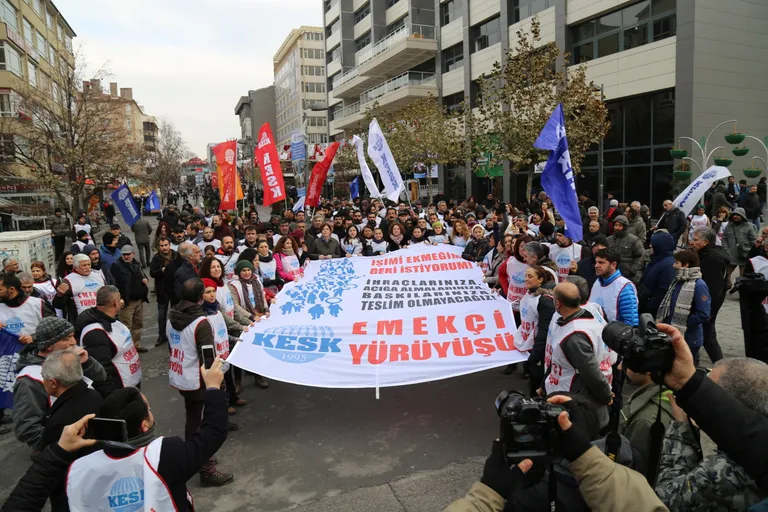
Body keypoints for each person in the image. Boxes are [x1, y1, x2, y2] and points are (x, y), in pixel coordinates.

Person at [655, 357, 768, 510]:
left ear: (730, 407)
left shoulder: (725, 474)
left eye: (711, 391)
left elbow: (665, 498)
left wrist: (681, 428)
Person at [167, 278, 234, 487]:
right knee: (202, 423)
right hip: (198, 379)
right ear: (199, 297)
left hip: (182, 373)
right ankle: (205, 467)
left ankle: (198, 458)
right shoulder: (200, 322)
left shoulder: (172, 316)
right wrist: (217, 383)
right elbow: (208, 356)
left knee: (193, 419)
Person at [13, 316, 106, 449]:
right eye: (66, 338)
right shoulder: (29, 379)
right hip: (66, 450)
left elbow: (101, 377)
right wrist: (57, 448)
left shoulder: (70, 357)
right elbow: (27, 428)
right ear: (49, 345)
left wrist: (86, 362)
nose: (74, 342)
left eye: (73, 336)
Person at [543, 282, 613, 428]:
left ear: (557, 303)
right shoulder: (587, 319)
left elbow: (591, 371)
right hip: (571, 394)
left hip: (575, 401)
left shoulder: (575, 336)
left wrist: (605, 395)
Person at [75, 285, 142, 394]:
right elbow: (101, 371)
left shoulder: (111, 320)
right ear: (115, 303)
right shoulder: (96, 333)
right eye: (120, 299)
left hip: (130, 384)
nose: (122, 301)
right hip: (121, 392)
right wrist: (115, 394)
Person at [655, 250, 711, 364]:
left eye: (676, 262)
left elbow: (704, 314)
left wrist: (682, 322)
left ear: (686, 265)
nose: (673, 265)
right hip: (674, 335)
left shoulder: (699, 285)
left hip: (690, 339)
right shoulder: (677, 281)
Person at [39, 350, 104, 448]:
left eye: (43, 377)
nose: (43, 381)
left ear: (53, 383)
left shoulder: (60, 421)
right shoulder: (94, 394)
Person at [619, 366, 675, 477]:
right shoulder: (669, 393)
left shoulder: (644, 421)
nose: (620, 367)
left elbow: (633, 471)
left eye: (629, 364)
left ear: (649, 370)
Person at [690, 226, 729, 364]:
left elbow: (715, 288)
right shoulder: (704, 254)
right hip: (705, 304)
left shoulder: (712, 259)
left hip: (708, 306)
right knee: (706, 336)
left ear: (705, 242)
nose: (691, 242)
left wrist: (710, 311)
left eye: (695, 240)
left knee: (708, 337)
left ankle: (721, 367)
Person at [516, 266, 555, 395]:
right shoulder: (529, 294)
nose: (525, 279)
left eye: (530, 276)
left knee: (537, 385)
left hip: (538, 351)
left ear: (540, 280)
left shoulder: (544, 300)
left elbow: (545, 330)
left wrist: (536, 355)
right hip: (530, 347)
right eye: (525, 275)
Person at [109, 245, 150, 353]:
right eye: (124, 254)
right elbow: (113, 284)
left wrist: (145, 280)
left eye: (128, 254)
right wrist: (119, 299)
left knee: (138, 324)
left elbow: (143, 275)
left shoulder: (136, 263)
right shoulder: (116, 266)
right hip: (127, 302)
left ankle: (136, 344)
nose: (126, 256)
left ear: (133, 254)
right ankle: (127, 348)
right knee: (126, 326)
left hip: (139, 300)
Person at [0, 273, 54, 344]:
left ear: (11, 289)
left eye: (0, 289)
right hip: (7, 353)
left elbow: (54, 327)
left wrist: (34, 338)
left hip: (36, 351)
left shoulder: (38, 304)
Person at [589, 248, 639, 325]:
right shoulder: (597, 283)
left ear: (613, 265)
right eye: (596, 262)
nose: (596, 266)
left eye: (601, 262)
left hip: (615, 335)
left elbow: (631, 323)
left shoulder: (624, 287)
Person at [52, 253, 105, 322]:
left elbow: (106, 296)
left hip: (100, 318)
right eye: (84, 265)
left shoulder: (98, 277)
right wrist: (59, 296)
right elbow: (58, 305)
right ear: (76, 267)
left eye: (89, 264)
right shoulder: (67, 281)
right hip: (80, 321)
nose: (87, 268)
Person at [639, 231, 676, 317]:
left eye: (653, 243)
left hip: (651, 312)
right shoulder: (657, 260)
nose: (650, 246)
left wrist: (648, 307)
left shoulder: (669, 265)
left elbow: (663, 291)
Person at [150, 236, 176, 346]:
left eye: (166, 245)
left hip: (174, 289)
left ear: (169, 245)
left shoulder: (175, 255)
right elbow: (152, 273)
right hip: (162, 290)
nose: (164, 248)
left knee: (175, 313)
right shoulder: (156, 258)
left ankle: (176, 334)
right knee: (162, 315)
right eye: (161, 246)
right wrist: (162, 271)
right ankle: (162, 335)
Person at [724, 207, 758, 286]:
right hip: (731, 255)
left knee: (743, 278)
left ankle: (741, 292)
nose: (735, 216)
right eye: (734, 215)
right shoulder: (729, 226)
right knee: (725, 275)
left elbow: (754, 241)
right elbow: (724, 238)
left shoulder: (750, 226)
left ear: (742, 216)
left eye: (738, 215)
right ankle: (727, 285)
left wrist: (748, 250)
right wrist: (726, 249)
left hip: (744, 255)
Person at [607, 215, 644, 281]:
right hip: (610, 275)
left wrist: (631, 270)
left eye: (620, 225)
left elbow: (640, 256)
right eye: (615, 225)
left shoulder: (634, 240)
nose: (617, 228)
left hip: (627, 277)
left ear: (625, 227)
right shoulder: (608, 240)